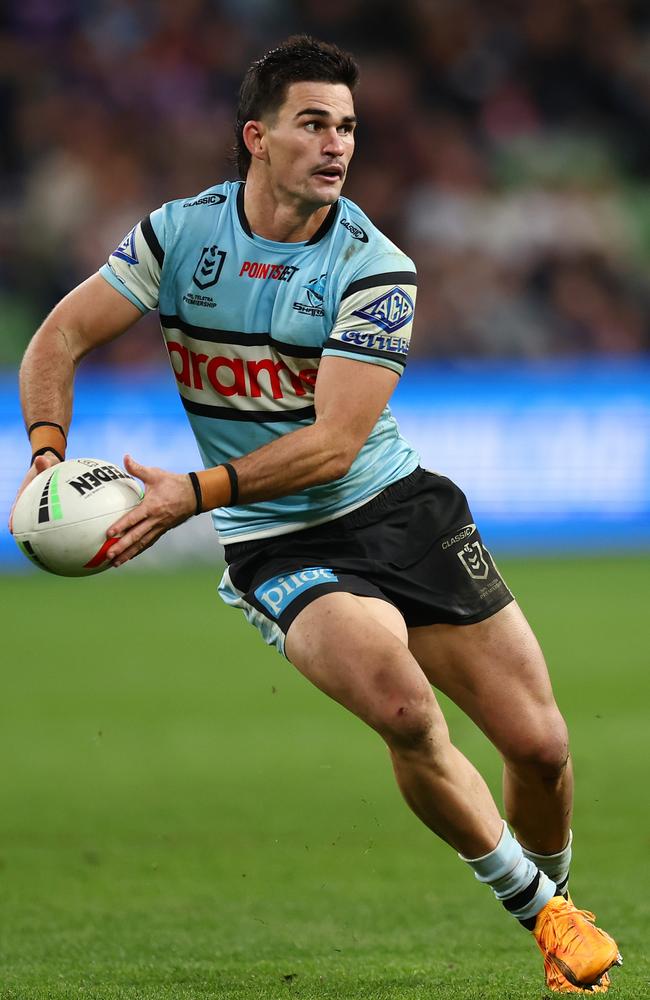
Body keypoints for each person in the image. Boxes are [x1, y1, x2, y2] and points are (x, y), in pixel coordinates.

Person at [13, 35, 621, 995]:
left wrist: (193, 495)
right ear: (256, 136)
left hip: (396, 508)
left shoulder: (376, 267)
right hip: (278, 539)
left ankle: (557, 903)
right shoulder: (180, 237)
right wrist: (47, 463)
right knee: (403, 708)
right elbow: (57, 337)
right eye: (313, 123)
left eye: (346, 126)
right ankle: (544, 914)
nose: (336, 144)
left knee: (541, 749)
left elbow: (335, 445)